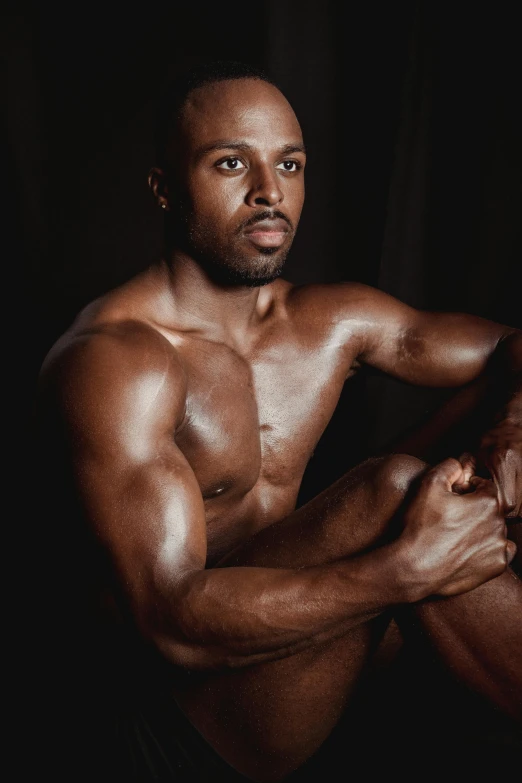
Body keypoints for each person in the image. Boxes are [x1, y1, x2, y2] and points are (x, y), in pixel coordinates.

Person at [35, 61, 521, 782]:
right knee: (396, 494)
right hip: (167, 720)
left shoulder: (328, 321)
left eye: (288, 164)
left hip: (297, 649)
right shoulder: (117, 361)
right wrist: (399, 572)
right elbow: (167, 621)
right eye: (232, 163)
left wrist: (507, 433)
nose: (269, 191)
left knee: (492, 406)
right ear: (164, 187)